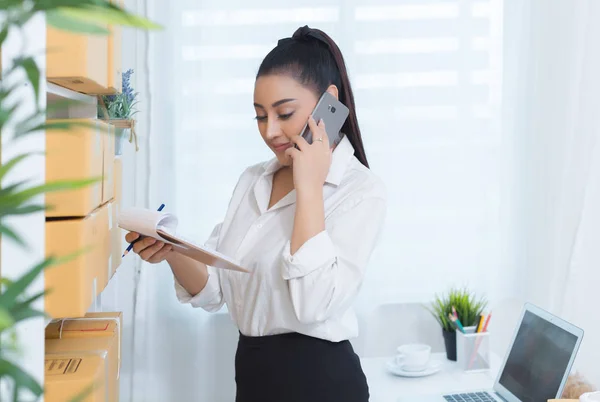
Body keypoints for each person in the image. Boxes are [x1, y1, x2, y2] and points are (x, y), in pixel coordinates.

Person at [125, 25, 387, 402]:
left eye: (284, 113)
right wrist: (173, 252)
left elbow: (313, 304)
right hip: (253, 380)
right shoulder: (253, 180)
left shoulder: (360, 191)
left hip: (322, 385)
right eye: (260, 117)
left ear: (329, 104)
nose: (271, 131)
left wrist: (309, 186)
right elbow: (216, 288)